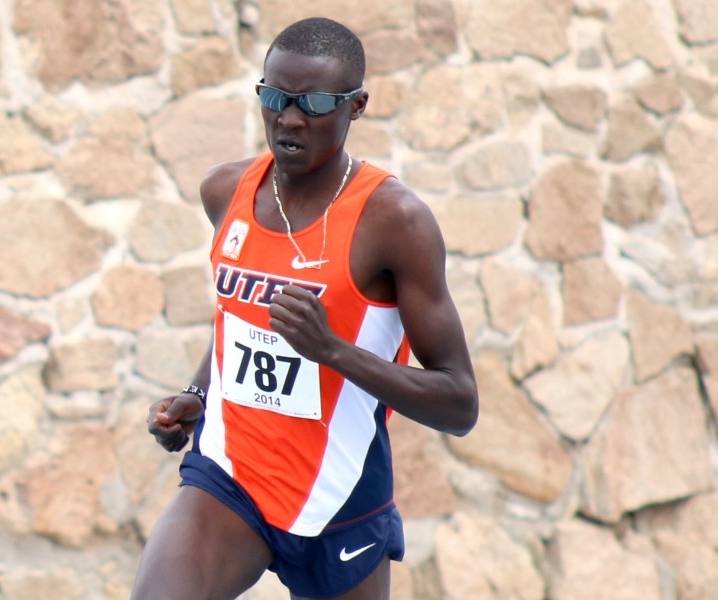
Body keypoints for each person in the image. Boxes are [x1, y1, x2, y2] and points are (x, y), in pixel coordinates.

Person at [131, 17, 478, 600]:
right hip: (231, 477)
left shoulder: (396, 222)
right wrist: (196, 395)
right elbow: (240, 324)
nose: (289, 118)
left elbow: (459, 402)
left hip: (339, 499)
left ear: (357, 105)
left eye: (315, 103)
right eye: (275, 96)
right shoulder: (226, 192)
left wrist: (332, 351)